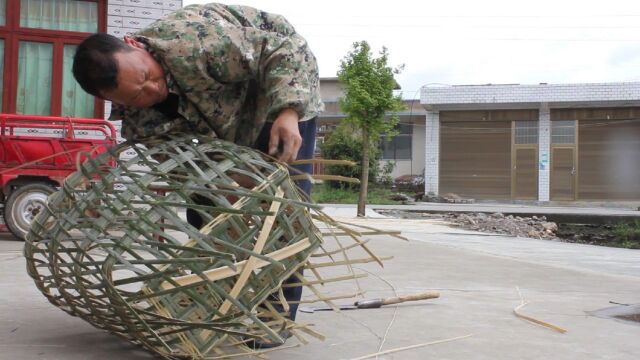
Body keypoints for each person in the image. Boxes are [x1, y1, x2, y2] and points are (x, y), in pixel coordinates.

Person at [72, 2, 322, 346]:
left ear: (134, 44)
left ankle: (273, 313)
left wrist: (289, 111)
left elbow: (281, 50)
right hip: (225, 124)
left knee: (281, 209)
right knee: (203, 203)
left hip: (277, 85)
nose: (152, 91)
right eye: (136, 95)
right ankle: (216, 296)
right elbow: (180, 164)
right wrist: (223, 185)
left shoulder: (194, 43)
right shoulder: (138, 116)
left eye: (147, 77)